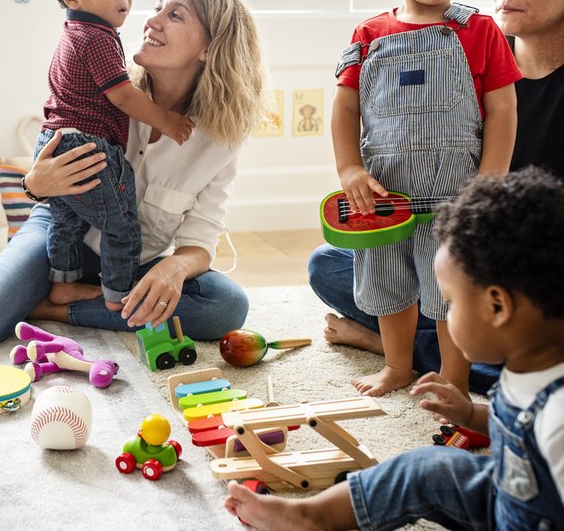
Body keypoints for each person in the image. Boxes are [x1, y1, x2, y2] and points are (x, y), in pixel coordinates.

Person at [0, 0, 264, 346]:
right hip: (61, 234)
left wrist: (176, 267)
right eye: (156, 8)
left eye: (175, 15)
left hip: (134, 262)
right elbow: (43, 167)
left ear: (210, 49)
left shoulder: (220, 138)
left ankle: (53, 310)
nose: (151, 20)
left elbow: (201, 236)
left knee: (225, 306)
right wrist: (33, 185)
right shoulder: (103, 90)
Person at [310, 0, 564, 395]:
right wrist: (350, 170)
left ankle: (448, 368)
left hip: (484, 230)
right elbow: (345, 108)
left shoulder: (478, 33)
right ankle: (405, 360)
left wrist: (485, 186)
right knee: (346, 270)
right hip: (396, 206)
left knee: (454, 296)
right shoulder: (372, 35)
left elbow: (503, 116)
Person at [225, 169, 564, 530]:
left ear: (497, 307)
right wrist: (468, 414)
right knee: (425, 469)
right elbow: (508, 424)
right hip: (505, 492)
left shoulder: (557, 419)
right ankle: (311, 516)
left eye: (449, 302)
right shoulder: (527, 365)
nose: (441, 312)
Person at [36, 0, 193, 312]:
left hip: (54, 139)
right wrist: (168, 121)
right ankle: (119, 296)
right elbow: (122, 95)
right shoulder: (97, 36)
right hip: (84, 145)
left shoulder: (74, 31)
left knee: (67, 222)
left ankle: (63, 284)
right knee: (121, 224)